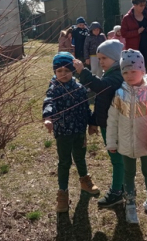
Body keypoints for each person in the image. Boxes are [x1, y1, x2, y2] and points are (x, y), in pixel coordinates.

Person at [106, 49, 147, 224]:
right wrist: (111, 141)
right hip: (126, 144)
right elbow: (112, 120)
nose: (129, 75)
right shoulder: (119, 94)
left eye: (133, 71)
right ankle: (130, 205)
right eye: (125, 72)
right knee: (128, 174)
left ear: (143, 70)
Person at [43, 52, 99, 213]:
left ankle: (84, 180)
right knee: (64, 162)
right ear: (54, 72)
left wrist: (91, 123)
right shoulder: (54, 88)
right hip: (63, 132)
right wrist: (48, 117)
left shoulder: (79, 88)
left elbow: (85, 107)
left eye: (67, 70)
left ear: (72, 71)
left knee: (80, 157)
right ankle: (63, 192)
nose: (63, 74)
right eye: (59, 71)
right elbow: (49, 102)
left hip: (79, 130)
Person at [73, 40, 125, 208]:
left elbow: (101, 88)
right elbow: (101, 101)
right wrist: (94, 121)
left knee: (117, 159)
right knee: (115, 158)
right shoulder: (109, 73)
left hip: (114, 127)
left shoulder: (118, 75)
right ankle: (122, 186)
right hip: (105, 124)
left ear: (116, 58)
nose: (101, 61)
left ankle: (118, 191)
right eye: (99, 58)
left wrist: (83, 72)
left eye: (104, 58)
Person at [121, 0, 147, 68]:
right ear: (134, 5)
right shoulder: (127, 18)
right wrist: (136, 32)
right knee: (135, 67)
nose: (143, 7)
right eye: (141, 5)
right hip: (134, 47)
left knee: (145, 66)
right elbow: (123, 33)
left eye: (144, 5)